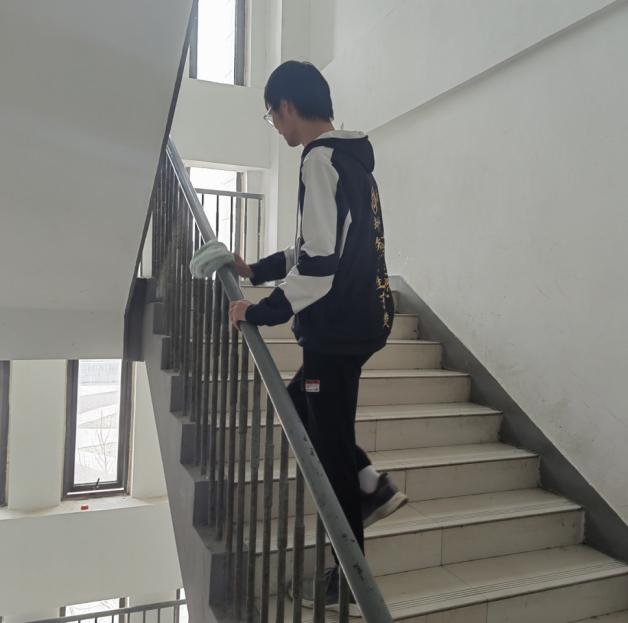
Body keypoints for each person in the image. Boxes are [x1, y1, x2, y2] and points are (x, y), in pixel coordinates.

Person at [227, 60, 407, 608]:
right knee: (299, 406)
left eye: (272, 116)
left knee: (328, 451)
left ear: (287, 106)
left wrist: (261, 311)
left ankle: (347, 583)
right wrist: (256, 270)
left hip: (338, 328)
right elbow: (317, 245)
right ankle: (371, 485)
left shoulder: (319, 161)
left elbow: (321, 263)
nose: (276, 127)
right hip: (364, 316)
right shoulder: (351, 160)